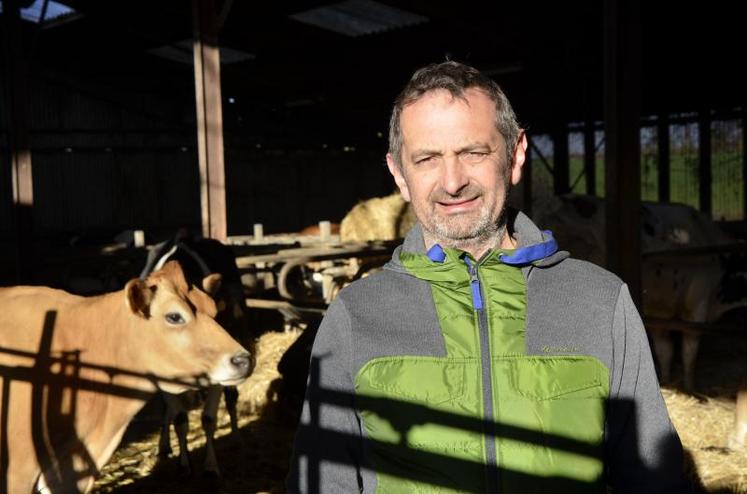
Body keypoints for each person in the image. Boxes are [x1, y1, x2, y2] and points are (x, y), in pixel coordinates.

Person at [288, 61, 688, 493]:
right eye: (427, 159)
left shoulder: (598, 301)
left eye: (473, 153)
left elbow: (655, 480)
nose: (453, 181)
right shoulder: (356, 315)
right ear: (399, 175)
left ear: (515, 156)